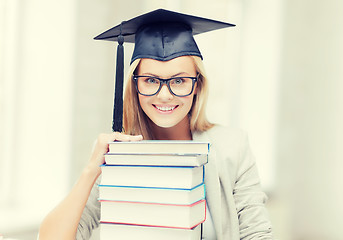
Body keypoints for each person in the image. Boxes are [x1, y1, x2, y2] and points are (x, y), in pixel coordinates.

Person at [39, 9, 273, 240]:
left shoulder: (233, 147)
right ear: (135, 86)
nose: (164, 95)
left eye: (179, 81)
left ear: (198, 86)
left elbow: (257, 234)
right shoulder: (117, 154)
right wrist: (91, 170)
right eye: (151, 80)